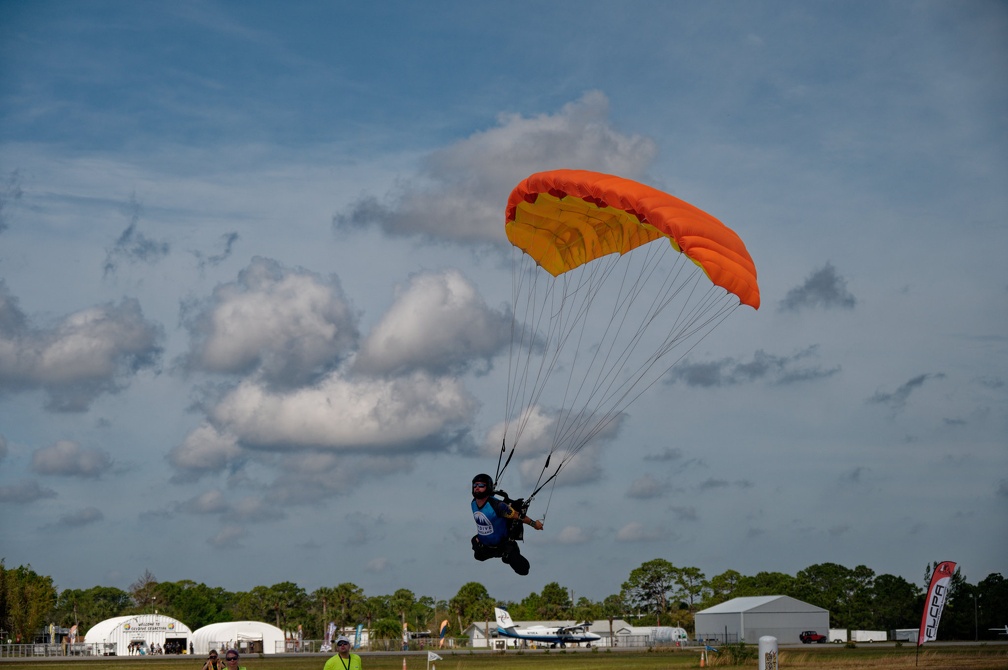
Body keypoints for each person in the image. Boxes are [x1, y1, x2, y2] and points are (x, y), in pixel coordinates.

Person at [470, 473, 542, 575]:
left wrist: (535, 525)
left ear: (488, 487)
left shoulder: (498, 506)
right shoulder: (473, 503)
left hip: (503, 546)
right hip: (485, 546)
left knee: (523, 570)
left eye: (481, 485)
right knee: (478, 556)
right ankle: (479, 542)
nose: (477, 488)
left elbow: (519, 516)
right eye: (475, 485)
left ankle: (507, 556)